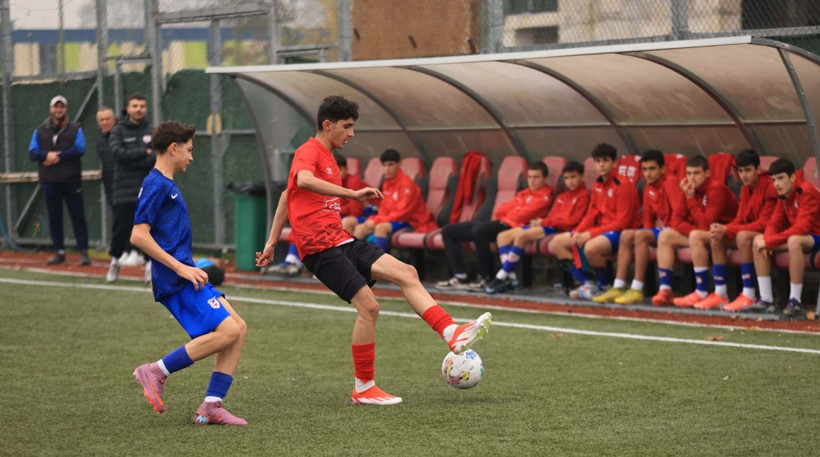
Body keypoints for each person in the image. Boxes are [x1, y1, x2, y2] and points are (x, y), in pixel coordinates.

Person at [256, 95, 492, 406]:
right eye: (347, 127)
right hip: (319, 249)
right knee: (369, 308)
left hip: (341, 240)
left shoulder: (327, 155)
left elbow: (288, 195)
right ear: (327, 125)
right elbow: (302, 180)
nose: (351, 134)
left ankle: (450, 330)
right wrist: (351, 193)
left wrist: (272, 242)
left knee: (407, 272)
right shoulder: (309, 151)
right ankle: (364, 387)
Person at [131, 120, 248, 426]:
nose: (191, 157)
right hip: (176, 278)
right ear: (173, 148)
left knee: (237, 328)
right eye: (189, 150)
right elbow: (139, 235)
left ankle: (211, 405)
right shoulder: (157, 184)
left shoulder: (165, 184)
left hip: (187, 273)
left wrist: (189, 264)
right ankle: (155, 370)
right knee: (228, 332)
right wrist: (182, 267)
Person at [436, 161, 554, 291]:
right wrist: (516, 208)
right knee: (449, 231)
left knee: (480, 231)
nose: (532, 181)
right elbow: (500, 210)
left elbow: (521, 216)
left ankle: (485, 277)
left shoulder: (545, 196)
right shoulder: (523, 193)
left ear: (544, 178)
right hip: (499, 222)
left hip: (513, 227)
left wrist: (516, 209)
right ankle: (460, 276)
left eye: (536, 177)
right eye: (530, 177)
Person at [548, 143, 640, 300]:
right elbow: (592, 213)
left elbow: (622, 222)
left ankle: (604, 286)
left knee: (591, 247)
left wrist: (590, 233)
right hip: (601, 229)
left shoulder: (622, 184)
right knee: (555, 244)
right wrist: (579, 231)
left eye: (605, 160)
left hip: (620, 232)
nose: (601, 164)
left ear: (614, 162)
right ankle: (587, 283)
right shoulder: (598, 183)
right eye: (598, 161)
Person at [688, 150, 777, 311]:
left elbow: (764, 223)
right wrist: (724, 229)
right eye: (740, 171)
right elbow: (740, 218)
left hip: (770, 234)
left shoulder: (769, 187)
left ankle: (749, 293)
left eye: (748, 170)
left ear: (758, 169)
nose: (744, 175)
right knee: (716, 236)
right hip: (751, 232)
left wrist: (728, 228)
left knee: (742, 236)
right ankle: (720, 293)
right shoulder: (744, 189)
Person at [484, 161, 588, 294]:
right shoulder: (562, 196)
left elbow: (571, 221)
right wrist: (543, 221)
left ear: (582, 177)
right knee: (502, 236)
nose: (570, 182)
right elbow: (554, 216)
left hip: (558, 229)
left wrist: (544, 222)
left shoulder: (583, 195)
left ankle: (501, 276)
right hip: (550, 225)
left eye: (573, 177)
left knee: (522, 236)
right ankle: (511, 277)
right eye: (567, 178)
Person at [593, 150, 679, 305]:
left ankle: (637, 288)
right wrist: (647, 231)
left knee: (640, 235)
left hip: (676, 229)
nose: (648, 173)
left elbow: (678, 214)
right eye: (645, 170)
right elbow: (647, 216)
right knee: (627, 235)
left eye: (652, 169)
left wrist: (648, 233)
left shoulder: (670, 183)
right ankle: (618, 286)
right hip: (661, 231)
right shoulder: (648, 186)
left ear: (663, 169)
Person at [651, 155, 738, 307]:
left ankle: (702, 291)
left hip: (727, 234)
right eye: (689, 173)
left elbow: (706, 224)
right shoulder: (689, 189)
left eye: (696, 173)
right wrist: (693, 230)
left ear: (707, 173)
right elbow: (675, 221)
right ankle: (665, 289)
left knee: (696, 235)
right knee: (665, 236)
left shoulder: (716, 189)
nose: (692, 178)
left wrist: (690, 198)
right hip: (706, 234)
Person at [271, 154, 367, 276]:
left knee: (332, 224)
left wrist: (331, 210)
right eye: (332, 169)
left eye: (338, 169)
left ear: (345, 169)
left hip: (359, 217)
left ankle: (331, 266)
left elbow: (356, 211)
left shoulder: (353, 181)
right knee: (305, 221)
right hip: (337, 215)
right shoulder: (326, 182)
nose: (334, 173)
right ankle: (292, 260)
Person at [751, 158, 820, 317]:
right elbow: (773, 224)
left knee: (794, 240)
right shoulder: (783, 197)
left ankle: (795, 300)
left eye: (781, 178)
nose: (776, 183)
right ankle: (766, 299)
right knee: (757, 241)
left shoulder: (805, 191)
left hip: (816, 235)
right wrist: (766, 241)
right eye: (773, 180)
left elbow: (803, 228)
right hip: (805, 238)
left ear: (793, 177)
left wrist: (769, 242)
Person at [27, 95, 90, 266]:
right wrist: (45, 155)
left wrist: (58, 156)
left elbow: (80, 149)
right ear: (51, 109)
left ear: (66, 109)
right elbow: (32, 152)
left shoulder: (75, 128)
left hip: (71, 180)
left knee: (78, 216)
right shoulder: (39, 130)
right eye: (56, 107)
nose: (58, 110)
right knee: (54, 217)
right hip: (49, 181)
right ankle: (59, 252)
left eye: (61, 107)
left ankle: (83, 251)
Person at [343, 149, 436, 252]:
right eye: (384, 165)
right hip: (392, 219)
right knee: (360, 228)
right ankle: (354, 263)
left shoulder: (407, 185)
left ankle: (378, 264)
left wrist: (377, 220)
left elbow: (402, 213)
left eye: (390, 165)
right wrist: (376, 219)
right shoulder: (387, 183)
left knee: (381, 228)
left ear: (399, 164)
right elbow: (383, 207)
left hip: (410, 221)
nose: (387, 169)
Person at [108, 94, 155, 283]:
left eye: (142, 106)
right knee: (120, 229)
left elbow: (156, 157)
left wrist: (134, 158)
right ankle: (114, 262)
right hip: (123, 189)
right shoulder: (117, 130)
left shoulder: (152, 130)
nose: (138, 109)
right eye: (135, 105)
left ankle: (150, 267)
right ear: (128, 109)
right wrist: (144, 152)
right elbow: (119, 155)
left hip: (147, 187)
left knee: (149, 229)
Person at [96, 107, 117, 207]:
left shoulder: (121, 135)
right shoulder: (100, 141)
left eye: (107, 119)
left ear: (113, 120)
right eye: (101, 120)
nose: (105, 122)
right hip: (110, 184)